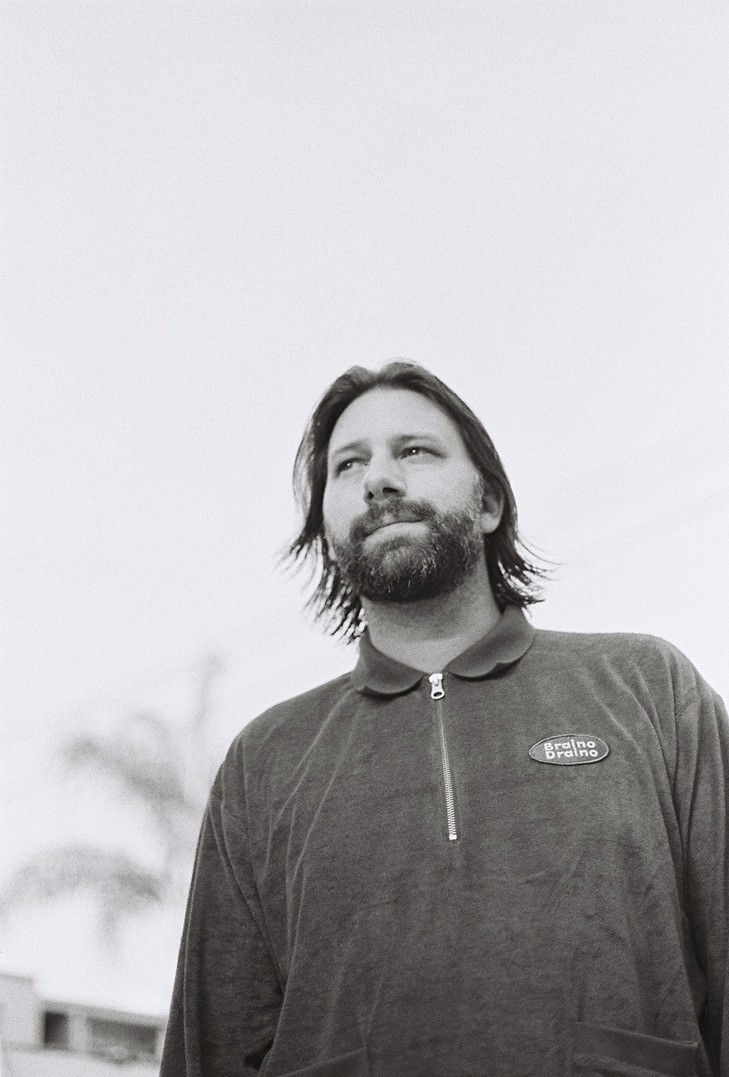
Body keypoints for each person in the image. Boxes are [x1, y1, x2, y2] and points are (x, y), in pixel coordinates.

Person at [160, 362, 728, 1077]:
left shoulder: (647, 687)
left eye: (414, 450)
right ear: (327, 529)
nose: (379, 479)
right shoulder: (264, 761)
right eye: (348, 465)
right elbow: (208, 1051)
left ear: (487, 500)